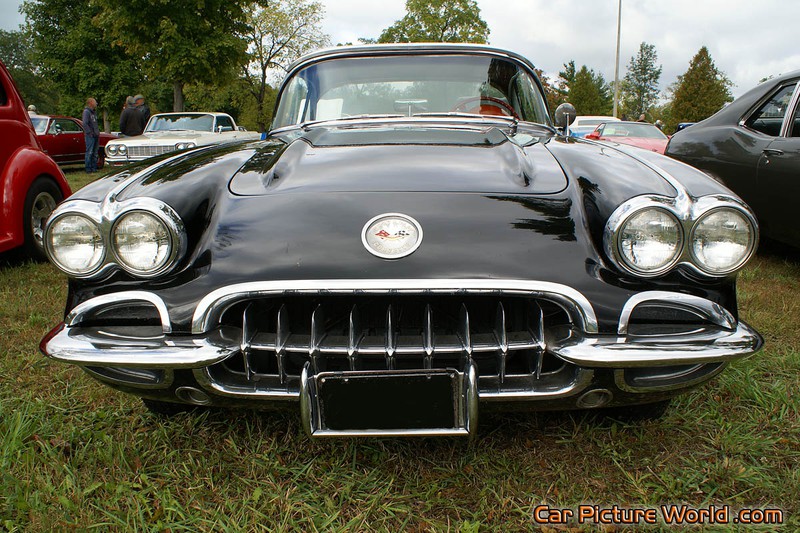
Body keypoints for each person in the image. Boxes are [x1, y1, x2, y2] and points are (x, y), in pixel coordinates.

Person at [82, 98, 100, 173]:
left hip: (96, 134)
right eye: (95, 102)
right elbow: (85, 123)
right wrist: (89, 132)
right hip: (90, 135)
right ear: (90, 103)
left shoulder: (94, 113)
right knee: (89, 152)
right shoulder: (86, 112)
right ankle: (88, 168)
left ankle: (94, 167)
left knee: (95, 152)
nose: (96, 103)